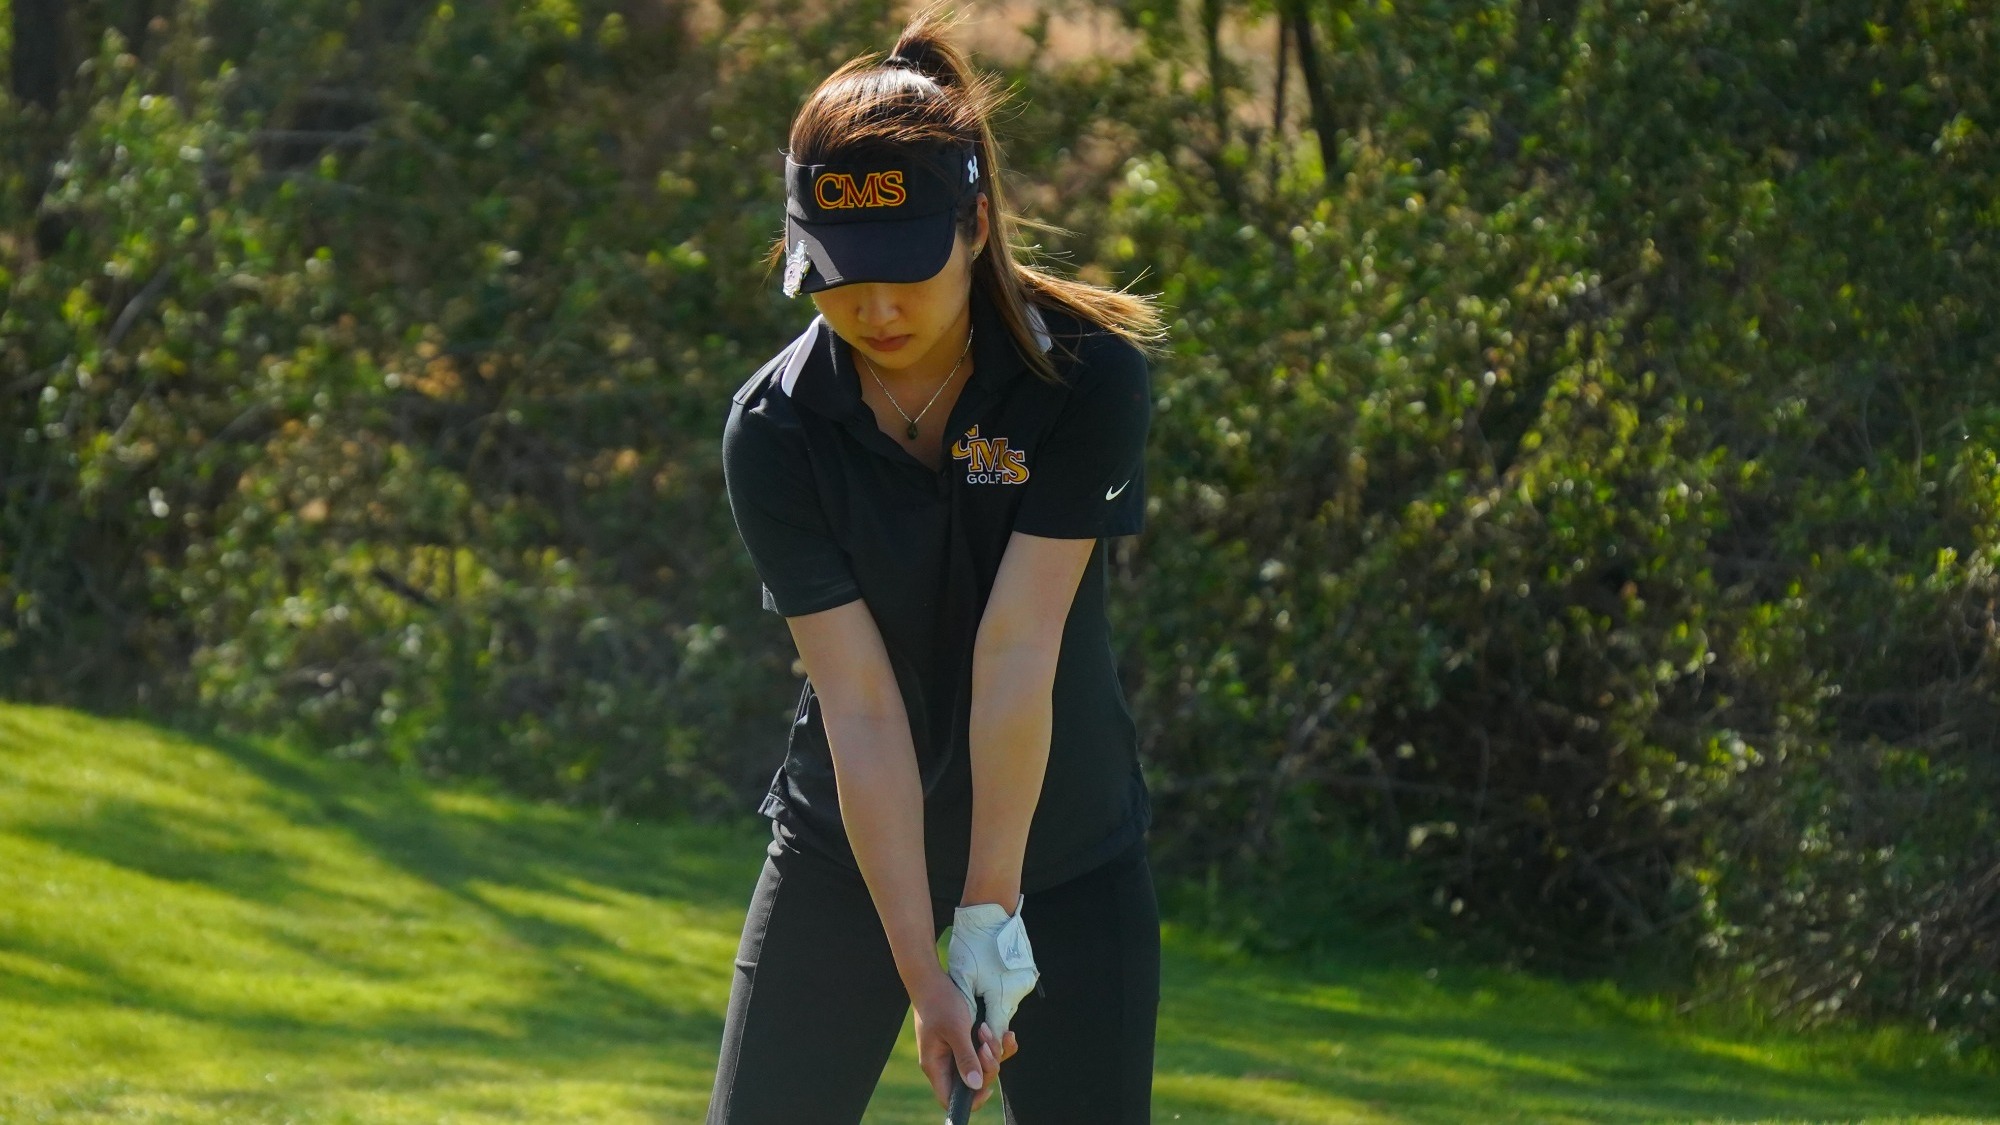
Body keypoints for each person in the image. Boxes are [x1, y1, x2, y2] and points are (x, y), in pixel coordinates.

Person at [706, 8, 1165, 1122]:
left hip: (1059, 853)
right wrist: (922, 970)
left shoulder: (1083, 377)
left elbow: (1015, 654)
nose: (874, 307)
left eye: (903, 271)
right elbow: (860, 706)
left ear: (973, 223)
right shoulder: (773, 428)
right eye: (838, 274)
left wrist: (987, 921)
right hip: (845, 858)